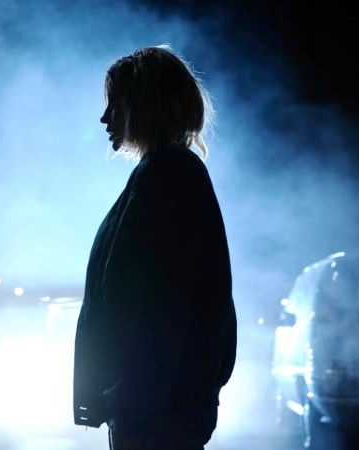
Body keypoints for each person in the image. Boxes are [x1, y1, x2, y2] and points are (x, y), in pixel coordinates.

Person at [73, 45, 237, 450]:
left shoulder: (167, 176)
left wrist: (130, 395)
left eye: (115, 104)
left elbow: (160, 306)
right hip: (154, 406)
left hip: (153, 412)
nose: (105, 118)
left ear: (145, 105)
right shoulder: (168, 172)